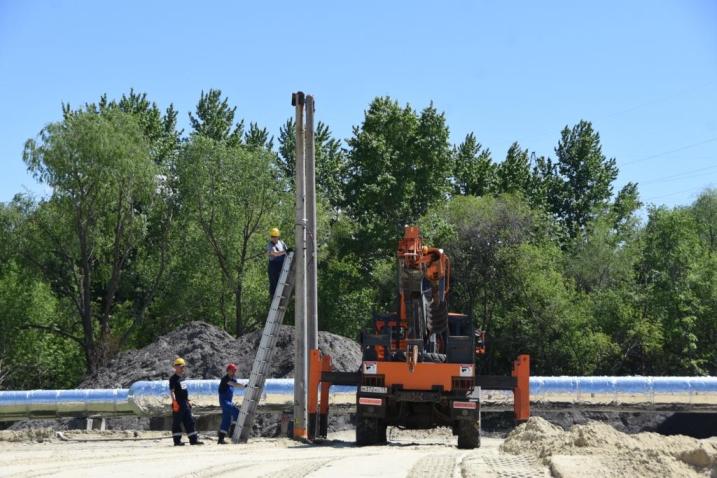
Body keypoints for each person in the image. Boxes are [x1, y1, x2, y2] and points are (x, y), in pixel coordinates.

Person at [169, 357, 203, 446]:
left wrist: (187, 401)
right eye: (181, 367)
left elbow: (184, 391)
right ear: (176, 367)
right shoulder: (173, 379)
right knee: (177, 422)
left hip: (185, 403)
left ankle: (193, 440)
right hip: (178, 403)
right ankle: (177, 441)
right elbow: (172, 391)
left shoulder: (182, 378)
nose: (183, 368)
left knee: (189, 421)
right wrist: (174, 402)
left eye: (183, 367)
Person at [217, 363, 246, 444]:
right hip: (224, 402)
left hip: (228, 401)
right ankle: (233, 431)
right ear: (228, 371)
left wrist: (243, 385)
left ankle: (220, 439)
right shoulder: (225, 379)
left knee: (226, 420)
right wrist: (244, 386)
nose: (234, 372)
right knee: (236, 411)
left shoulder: (233, 379)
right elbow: (234, 384)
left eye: (234, 371)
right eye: (232, 371)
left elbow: (235, 383)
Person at [267, 227, 287, 298]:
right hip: (273, 267)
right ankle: (273, 299)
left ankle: (280, 296)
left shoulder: (281, 243)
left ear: (278, 237)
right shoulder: (270, 245)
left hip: (281, 266)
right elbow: (275, 253)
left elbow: (287, 251)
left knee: (281, 283)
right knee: (274, 284)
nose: (273, 238)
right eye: (272, 236)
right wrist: (285, 251)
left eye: (275, 237)